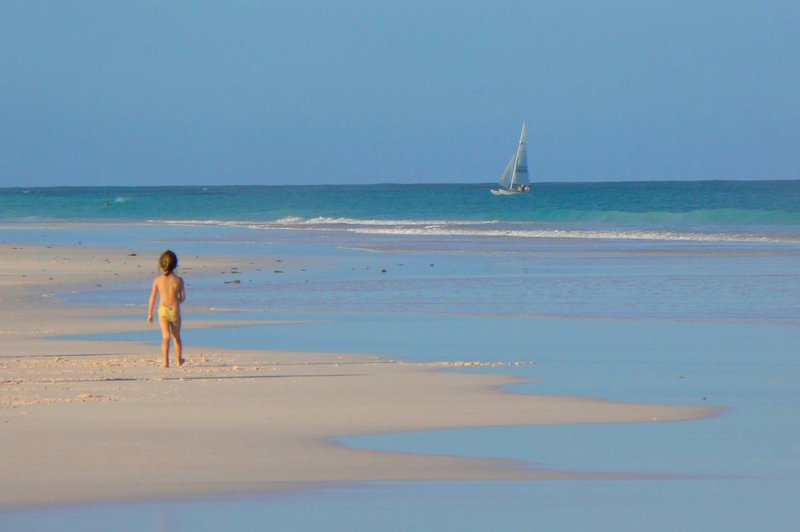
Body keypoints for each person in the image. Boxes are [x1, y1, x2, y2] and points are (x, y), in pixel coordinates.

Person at [147, 250, 186, 367]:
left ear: (160, 264)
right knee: (176, 336)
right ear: (175, 264)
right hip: (174, 310)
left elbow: (152, 298)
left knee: (165, 336)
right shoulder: (178, 280)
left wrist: (150, 313)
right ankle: (179, 360)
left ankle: (165, 362)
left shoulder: (157, 280)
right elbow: (183, 297)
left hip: (162, 310)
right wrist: (176, 302)